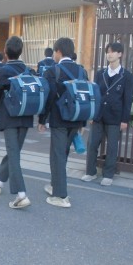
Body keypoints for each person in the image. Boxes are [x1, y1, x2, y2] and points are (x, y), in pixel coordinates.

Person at [38, 37, 87, 208]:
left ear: (58, 51)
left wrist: (42, 119)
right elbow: (85, 96)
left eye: (54, 52)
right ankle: (55, 185)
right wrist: (83, 123)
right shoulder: (82, 71)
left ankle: (61, 196)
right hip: (76, 118)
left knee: (57, 155)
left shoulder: (52, 71)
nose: (54, 55)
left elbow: (48, 98)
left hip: (59, 119)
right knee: (63, 153)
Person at [0, 36, 32, 209]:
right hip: (26, 116)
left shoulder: (2, 71)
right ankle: (0, 181)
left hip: (9, 116)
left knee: (13, 153)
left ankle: (21, 194)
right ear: (20, 51)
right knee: (13, 151)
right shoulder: (28, 70)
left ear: (5, 52)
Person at [82, 42, 133, 186]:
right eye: (108, 52)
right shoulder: (100, 74)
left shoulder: (127, 76)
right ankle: (90, 172)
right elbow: (95, 94)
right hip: (98, 115)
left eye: (112, 52)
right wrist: (92, 114)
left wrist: (124, 120)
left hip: (115, 116)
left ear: (120, 54)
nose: (109, 54)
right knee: (92, 144)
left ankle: (108, 175)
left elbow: (127, 99)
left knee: (112, 147)